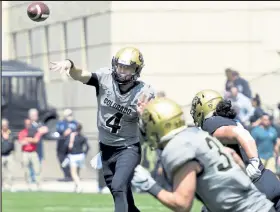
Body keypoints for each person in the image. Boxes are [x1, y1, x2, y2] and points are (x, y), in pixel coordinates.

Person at [49, 47, 155, 212]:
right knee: (124, 198)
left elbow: (152, 124)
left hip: (128, 148)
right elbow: (81, 75)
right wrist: (70, 65)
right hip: (106, 148)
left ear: (137, 70)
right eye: (120, 66)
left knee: (119, 186)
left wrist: (145, 114)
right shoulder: (105, 78)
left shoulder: (143, 92)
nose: (122, 71)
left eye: (128, 68)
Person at [131, 98, 274, 212]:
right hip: (260, 205)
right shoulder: (195, 134)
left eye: (148, 126)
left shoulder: (177, 147)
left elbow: (182, 204)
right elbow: (232, 155)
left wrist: (148, 185)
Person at [190, 89, 280, 211]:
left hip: (253, 191)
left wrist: (253, 162)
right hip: (267, 182)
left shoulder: (211, 123)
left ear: (207, 106)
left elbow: (240, 133)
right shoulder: (230, 120)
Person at [18, 119, 43, 190]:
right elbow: (21, 142)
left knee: (37, 169)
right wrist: (30, 139)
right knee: (26, 169)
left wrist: (27, 139)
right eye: (26, 124)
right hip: (25, 152)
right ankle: (29, 185)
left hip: (33, 152)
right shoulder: (22, 132)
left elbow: (36, 140)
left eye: (29, 124)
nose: (28, 125)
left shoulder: (34, 131)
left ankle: (39, 185)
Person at [65, 123, 89, 193]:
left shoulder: (72, 136)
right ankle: (76, 188)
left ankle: (79, 185)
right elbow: (87, 147)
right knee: (77, 172)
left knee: (73, 173)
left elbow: (68, 146)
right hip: (81, 155)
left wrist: (71, 139)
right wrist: (84, 154)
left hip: (74, 155)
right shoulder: (83, 137)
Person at [56, 109, 78, 181]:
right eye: (68, 115)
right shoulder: (61, 123)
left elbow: (78, 131)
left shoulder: (75, 123)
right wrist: (64, 132)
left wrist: (71, 131)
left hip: (71, 145)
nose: (69, 116)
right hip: (62, 145)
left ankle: (72, 175)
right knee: (62, 159)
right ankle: (67, 175)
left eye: (70, 114)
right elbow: (59, 131)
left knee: (71, 160)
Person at [1, 118, 15, 191]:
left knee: (10, 172)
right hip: (1, 155)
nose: (4, 127)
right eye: (3, 126)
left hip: (9, 154)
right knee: (2, 172)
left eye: (5, 125)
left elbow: (12, 143)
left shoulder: (10, 133)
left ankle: (10, 186)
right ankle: (2, 186)